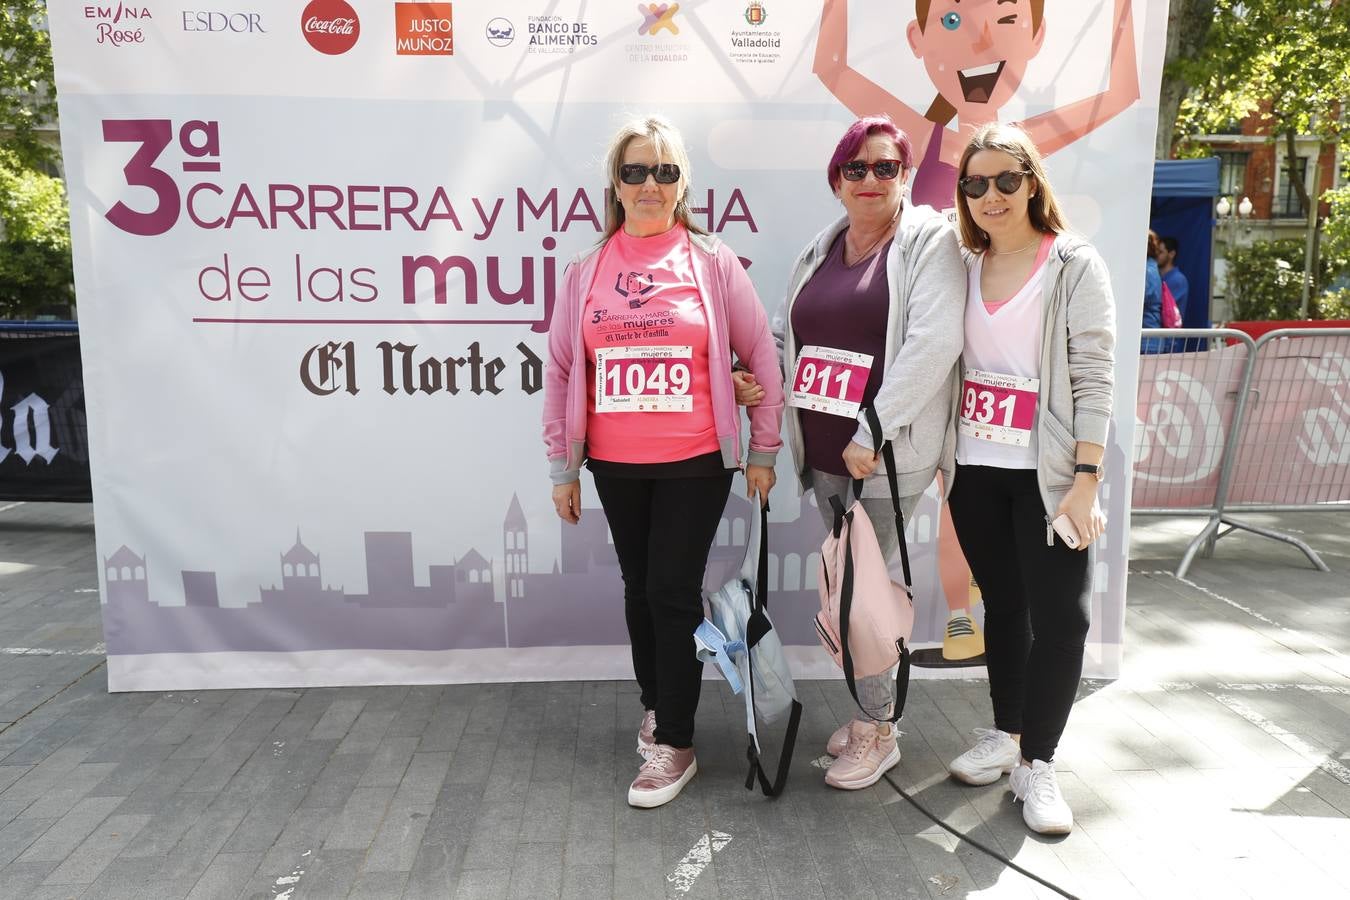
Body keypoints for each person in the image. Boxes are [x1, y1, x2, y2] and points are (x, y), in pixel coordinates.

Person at [541, 115, 784, 810]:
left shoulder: (711, 264)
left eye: (665, 172)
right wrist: (563, 466)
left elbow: (760, 358)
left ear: (684, 185)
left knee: (672, 592)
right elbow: (562, 371)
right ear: (614, 184)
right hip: (615, 464)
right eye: (636, 171)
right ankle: (657, 703)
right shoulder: (585, 270)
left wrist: (762, 448)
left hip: (695, 459)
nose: (651, 185)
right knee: (639, 588)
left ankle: (674, 742)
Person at [734, 114, 965, 790]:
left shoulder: (930, 243)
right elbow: (784, 336)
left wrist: (875, 429)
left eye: (886, 166)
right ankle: (870, 713)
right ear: (837, 179)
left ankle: (879, 730)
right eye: (856, 168)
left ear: (905, 176)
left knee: (865, 594)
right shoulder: (823, 246)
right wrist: (761, 389)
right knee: (845, 585)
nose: (871, 179)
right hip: (828, 456)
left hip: (884, 458)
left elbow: (934, 341)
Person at [944, 123, 1114, 835]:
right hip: (977, 471)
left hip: (1049, 478)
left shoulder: (1072, 264)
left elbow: (1095, 373)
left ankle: (1038, 766)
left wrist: (1086, 478)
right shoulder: (958, 265)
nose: (991, 195)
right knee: (1004, 607)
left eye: (1006, 180)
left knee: (1063, 620)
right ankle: (1007, 734)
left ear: (1033, 182)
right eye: (975, 183)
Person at [813, 0, 1138, 211]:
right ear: (917, 38)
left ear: (1036, 36)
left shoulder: (1021, 144)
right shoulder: (928, 140)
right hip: (930, 303)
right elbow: (833, 69)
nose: (981, 41)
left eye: (1007, 19)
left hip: (997, 304)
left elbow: (1119, 94)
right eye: (951, 21)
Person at [1157, 235, 1192, 350]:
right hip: (1163, 341)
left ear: (1172, 254)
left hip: (1170, 343)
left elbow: (1163, 309)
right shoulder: (1159, 277)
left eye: (1161, 252)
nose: (1157, 255)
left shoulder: (1177, 279)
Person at [1141, 231, 1166, 354]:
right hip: (1149, 340)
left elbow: (1138, 301)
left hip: (1148, 342)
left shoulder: (1147, 270)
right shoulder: (1150, 267)